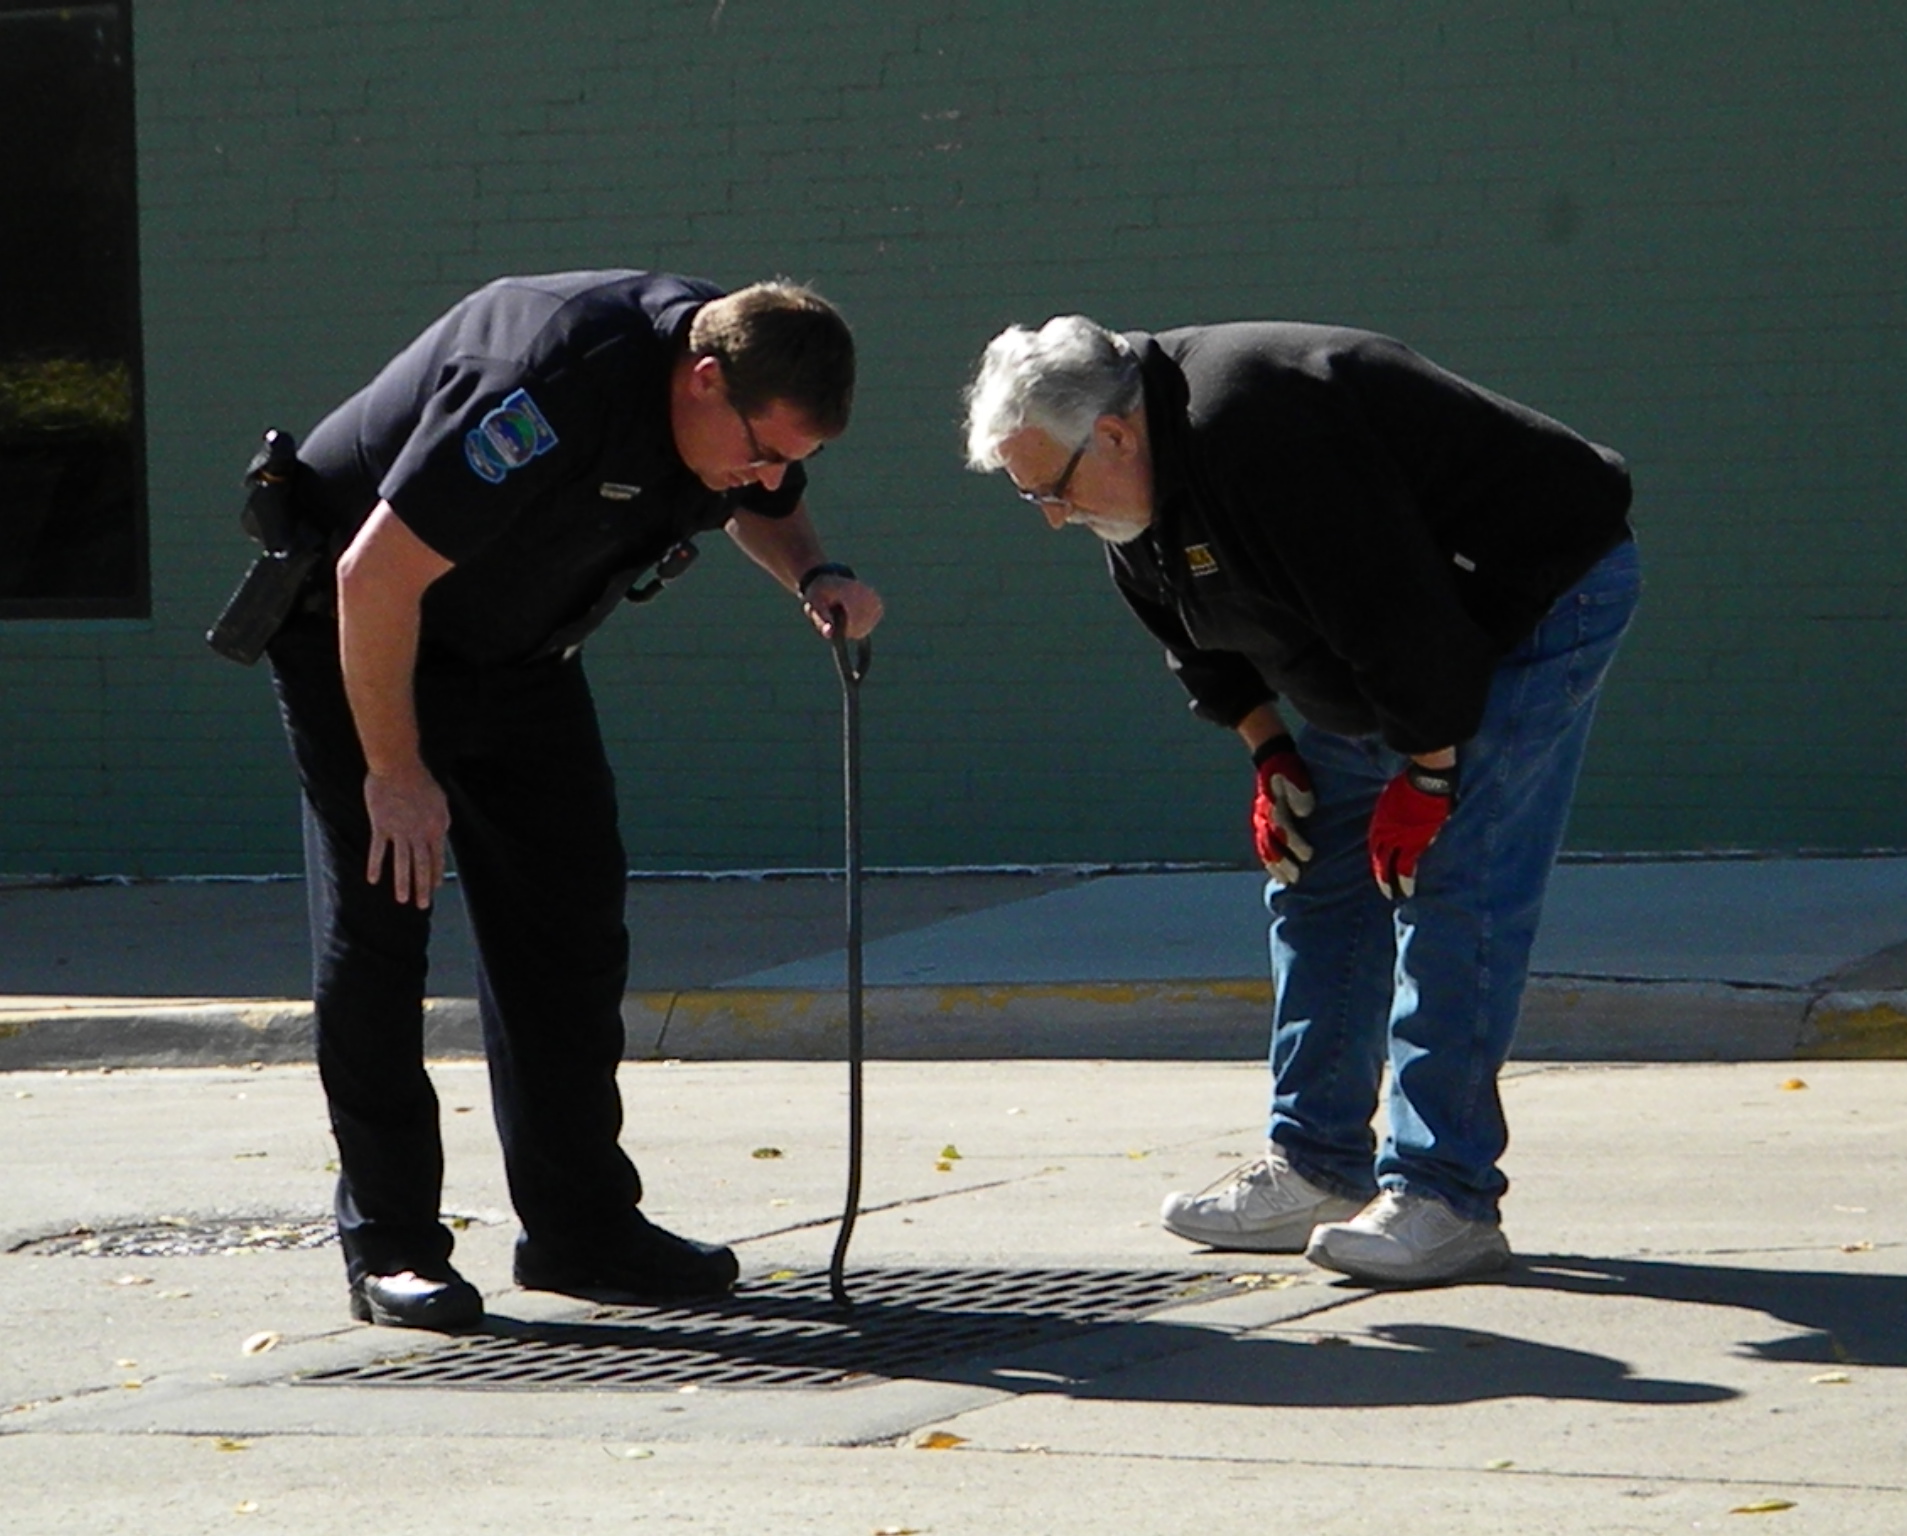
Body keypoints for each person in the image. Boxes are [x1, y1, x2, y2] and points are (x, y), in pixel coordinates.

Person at [257, 270, 882, 1329]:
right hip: (360, 637)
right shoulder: (544, 385)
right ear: (698, 380)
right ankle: (392, 1245)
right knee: (382, 923)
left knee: (569, 920)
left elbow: (764, 510)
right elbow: (375, 577)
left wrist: (816, 572)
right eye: (762, 450)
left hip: (520, 649)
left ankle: (581, 1230)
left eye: (792, 460)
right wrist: (397, 775)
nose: (767, 475)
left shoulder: (746, 369)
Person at [962, 315, 1636, 1284]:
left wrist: (1429, 774)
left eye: (1053, 489)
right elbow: (1192, 632)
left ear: (1113, 434)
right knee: (1315, 861)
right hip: (1378, 639)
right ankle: (1317, 1164)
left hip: (1527, 589)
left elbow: (1394, 612)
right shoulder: (1130, 488)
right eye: (1029, 497)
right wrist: (1268, 748)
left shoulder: (1254, 423)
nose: (1052, 518)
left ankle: (1444, 1193)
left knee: (1451, 879)